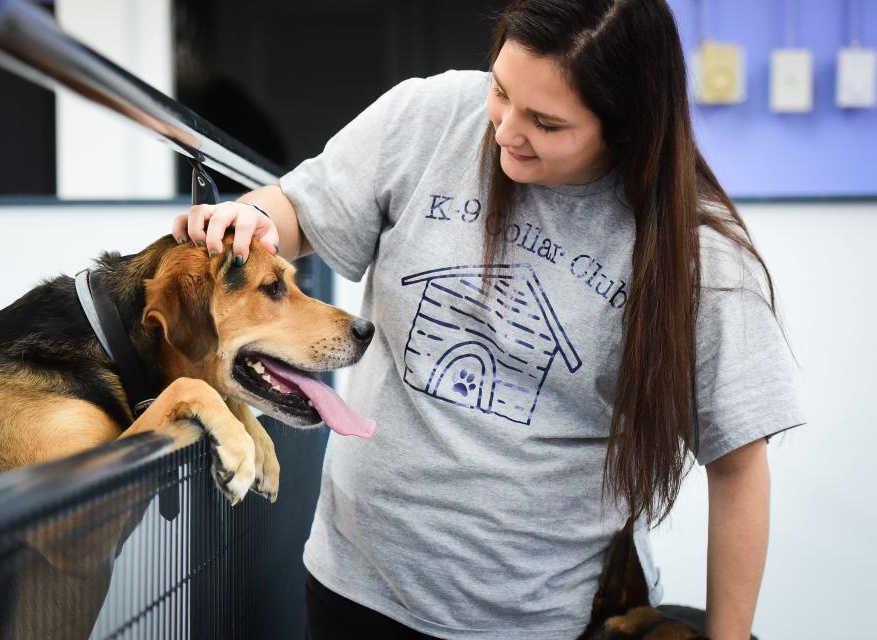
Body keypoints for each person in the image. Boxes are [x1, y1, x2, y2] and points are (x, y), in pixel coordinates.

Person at [173, 1, 805, 638]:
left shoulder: (696, 255)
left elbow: (740, 467)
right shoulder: (432, 116)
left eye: (547, 123)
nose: (506, 129)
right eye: (501, 91)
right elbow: (298, 212)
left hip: (540, 621)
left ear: (627, 127)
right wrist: (253, 219)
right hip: (357, 586)